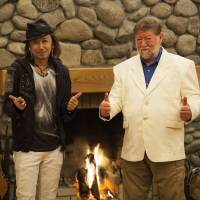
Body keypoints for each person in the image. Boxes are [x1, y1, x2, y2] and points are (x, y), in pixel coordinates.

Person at [99, 16, 200, 200]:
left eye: (148, 39)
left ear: (160, 37)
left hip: (167, 147)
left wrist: (190, 110)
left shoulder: (183, 66)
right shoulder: (122, 69)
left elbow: (194, 97)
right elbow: (114, 100)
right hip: (133, 149)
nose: (143, 44)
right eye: (139, 40)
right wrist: (107, 109)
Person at [4, 19, 81, 200]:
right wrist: (18, 108)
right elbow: (7, 105)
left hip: (54, 150)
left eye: (45, 41)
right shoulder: (15, 70)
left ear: (52, 43)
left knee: (48, 197)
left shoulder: (62, 71)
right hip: (27, 148)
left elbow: (64, 111)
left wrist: (69, 108)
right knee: (25, 197)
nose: (41, 46)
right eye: (36, 42)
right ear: (29, 47)